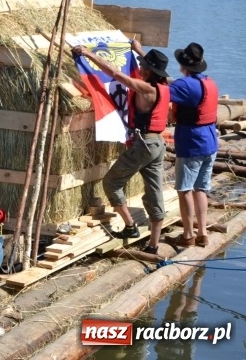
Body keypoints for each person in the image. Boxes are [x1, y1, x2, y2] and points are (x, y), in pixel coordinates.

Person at [74, 41, 170, 254]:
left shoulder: (146, 88)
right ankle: (153, 245)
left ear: (150, 71)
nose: (140, 67)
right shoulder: (165, 87)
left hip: (143, 144)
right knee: (154, 193)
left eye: (143, 65)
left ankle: (130, 227)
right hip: (157, 144)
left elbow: (117, 75)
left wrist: (89, 54)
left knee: (111, 182)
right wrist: (139, 51)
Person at [167, 43, 219, 248]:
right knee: (201, 189)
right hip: (210, 142)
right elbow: (170, 83)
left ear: (183, 65)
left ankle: (187, 235)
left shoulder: (184, 85)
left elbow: (160, 91)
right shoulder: (210, 83)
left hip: (191, 143)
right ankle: (203, 233)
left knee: (185, 189)